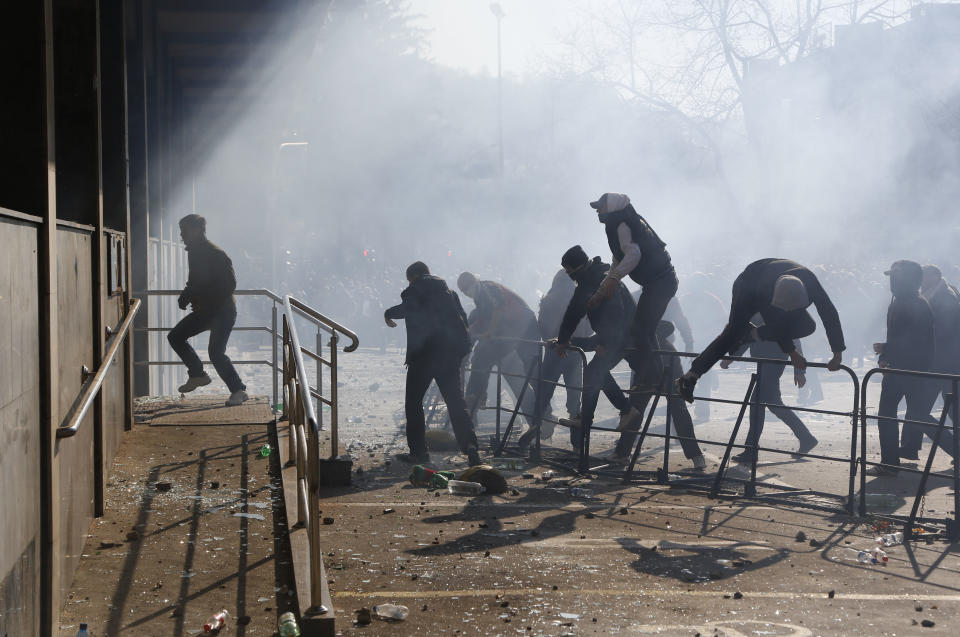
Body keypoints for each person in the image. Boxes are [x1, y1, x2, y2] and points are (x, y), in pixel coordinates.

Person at [677, 258, 846, 403]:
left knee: (809, 326)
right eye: (783, 309)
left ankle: (754, 334)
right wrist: (793, 353)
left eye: (790, 309)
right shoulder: (765, 293)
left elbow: (830, 315)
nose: (787, 312)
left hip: (776, 284)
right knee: (732, 333)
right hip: (748, 284)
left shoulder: (811, 283)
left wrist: (837, 353)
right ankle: (690, 377)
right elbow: (777, 325)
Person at [385, 262, 482, 466]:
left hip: (424, 355)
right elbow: (463, 321)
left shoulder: (415, 290)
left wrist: (388, 313)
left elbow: (408, 309)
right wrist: (463, 351)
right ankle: (470, 447)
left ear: (413, 276)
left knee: (413, 403)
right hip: (449, 354)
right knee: (455, 401)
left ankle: (419, 453)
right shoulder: (449, 292)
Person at [553, 246, 643, 452]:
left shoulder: (603, 279)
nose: (569, 276)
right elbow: (573, 312)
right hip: (615, 335)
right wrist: (563, 340)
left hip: (625, 336)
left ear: (579, 267)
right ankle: (586, 420)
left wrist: (605, 342)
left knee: (595, 372)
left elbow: (618, 315)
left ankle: (626, 411)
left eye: (569, 271)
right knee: (594, 373)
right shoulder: (587, 281)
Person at [871, 260, 956, 475]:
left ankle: (890, 464)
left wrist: (888, 351)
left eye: (895, 277)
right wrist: (886, 352)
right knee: (908, 415)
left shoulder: (915, 303)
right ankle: (890, 462)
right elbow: (902, 336)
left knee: (904, 415)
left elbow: (916, 341)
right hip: (904, 368)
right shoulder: (905, 301)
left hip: (909, 369)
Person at [588, 193, 678, 387]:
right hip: (656, 283)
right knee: (645, 330)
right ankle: (655, 374)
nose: (597, 211)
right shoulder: (620, 223)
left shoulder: (621, 224)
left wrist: (614, 279)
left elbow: (633, 254)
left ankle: (652, 377)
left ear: (611, 208)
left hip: (660, 282)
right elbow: (618, 260)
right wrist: (602, 290)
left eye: (600, 207)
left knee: (640, 330)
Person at [168, 214, 248, 406]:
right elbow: (195, 281)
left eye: (184, 230)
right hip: (207, 311)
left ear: (197, 231)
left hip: (222, 312)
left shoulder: (215, 254)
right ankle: (197, 374)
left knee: (216, 352)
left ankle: (238, 390)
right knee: (176, 336)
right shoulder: (194, 252)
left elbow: (229, 285)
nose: (181, 235)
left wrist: (200, 298)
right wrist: (186, 295)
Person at [612, 321, 707, 470]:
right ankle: (622, 453)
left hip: (670, 369)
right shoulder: (624, 339)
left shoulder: (640, 328)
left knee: (679, 412)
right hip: (646, 376)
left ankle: (696, 455)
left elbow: (668, 326)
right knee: (634, 412)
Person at [457, 272, 540, 438]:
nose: (467, 293)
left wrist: (489, 331)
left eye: (466, 289)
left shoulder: (488, 288)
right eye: (464, 291)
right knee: (519, 384)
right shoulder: (478, 301)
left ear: (473, 282)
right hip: (508, 338)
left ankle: (540, 421)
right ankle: (538, 423)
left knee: (527, 377)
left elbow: (498, 309)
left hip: (521, 330)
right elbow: (482, 321)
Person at [725, 315, 818, 463]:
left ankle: (751, 450)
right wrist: (732, 357)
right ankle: (806, 438)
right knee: (774, 405)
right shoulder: (757, 311)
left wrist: (799, 370)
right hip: (767, 361)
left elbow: (793, 339)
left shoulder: (768, 309)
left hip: (773, 361)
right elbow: (748, 337)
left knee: (756, 404)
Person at [900, 265, 960, 459]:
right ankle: (910, 447)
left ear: (935, 277)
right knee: (951, 410)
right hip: (944, 362)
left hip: (940, 363)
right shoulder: (938, 293)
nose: (921, 281)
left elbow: (942, 332)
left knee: (918, 410)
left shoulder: (945, 297)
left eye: (924, 276)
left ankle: (955, 451)